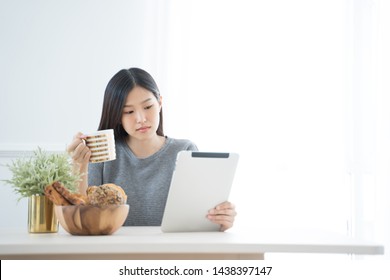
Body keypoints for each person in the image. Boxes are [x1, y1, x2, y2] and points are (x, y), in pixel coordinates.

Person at [67, 67, 236, 231]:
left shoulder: (185, 150)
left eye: (148, 107)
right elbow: (80, 220)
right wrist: (78, 167)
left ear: (160, 103)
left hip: (170, 253)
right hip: (115, 252)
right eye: (129, 111)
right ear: (117, 116)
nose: (141, 119)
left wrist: (219, 220)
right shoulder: (101, 154)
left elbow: (199, 218)